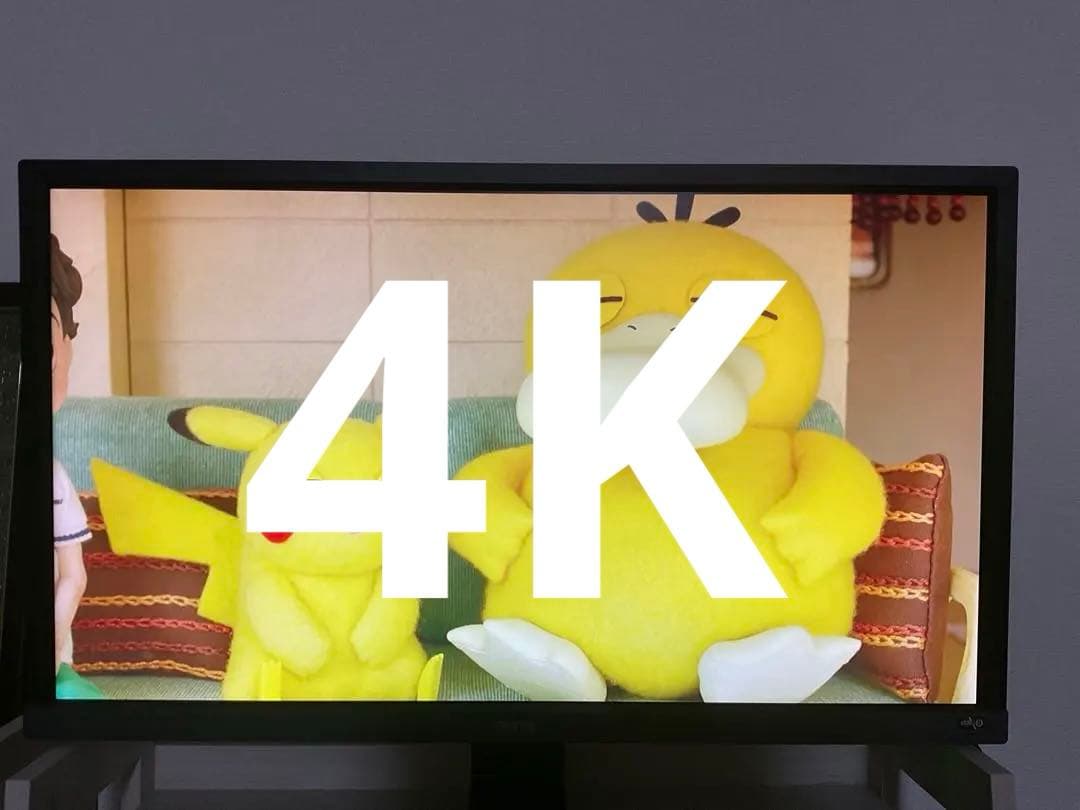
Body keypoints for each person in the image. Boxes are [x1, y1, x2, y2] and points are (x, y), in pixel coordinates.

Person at [50, 234, 103, 699]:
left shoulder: (50, 477)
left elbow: (73, 575)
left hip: (48, 669)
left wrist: (47, 650)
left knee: (81, 707)